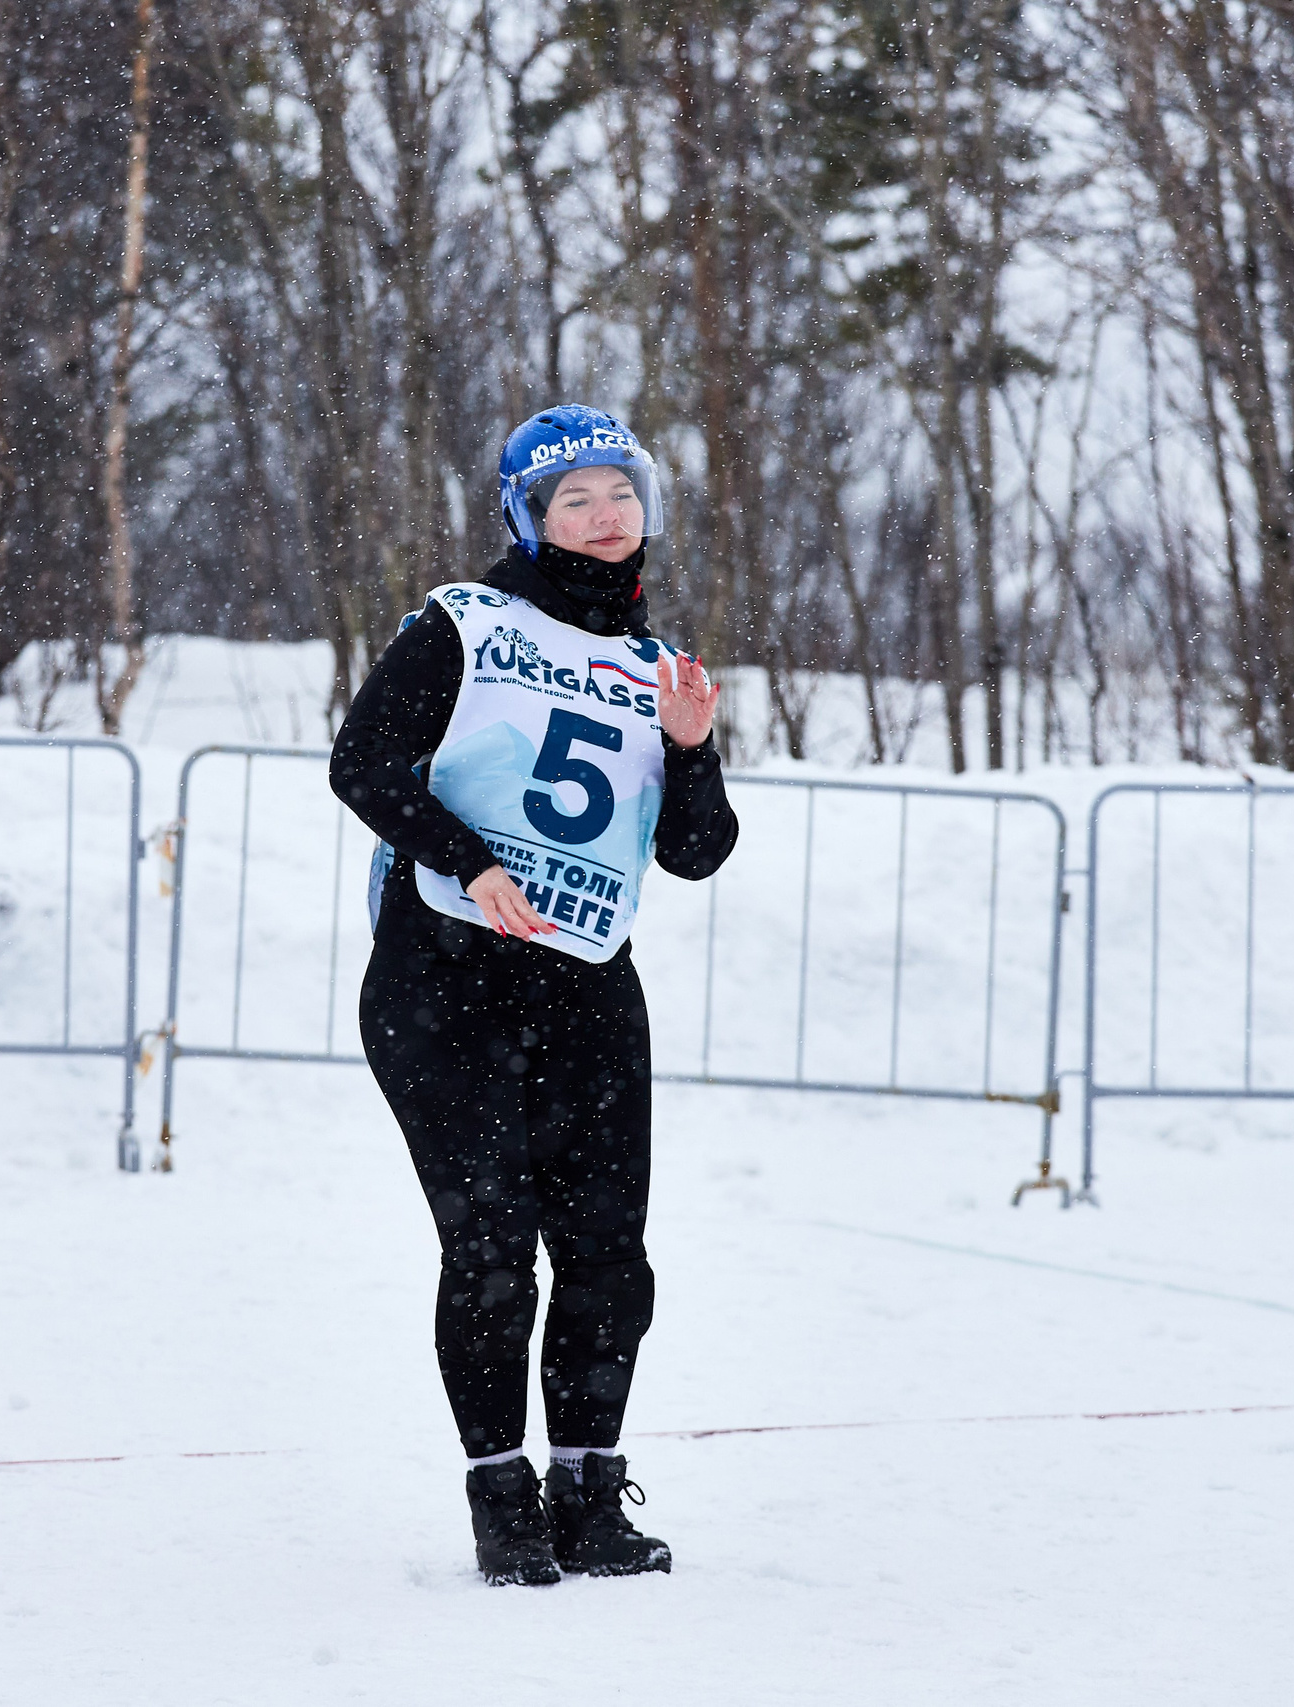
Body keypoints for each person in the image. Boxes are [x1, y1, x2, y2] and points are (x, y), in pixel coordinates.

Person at [331, 406, 739, 1586]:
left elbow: (696, 851)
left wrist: (691, 749)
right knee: (494, 1248)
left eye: (621, 492)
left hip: (586, 986)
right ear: (529, 516)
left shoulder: (656, 666)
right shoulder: (466, 622)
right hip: (443, 977)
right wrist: (468, 861)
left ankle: (589, 1495)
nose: (605, 516)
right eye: (574, 499)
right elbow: (362, 764)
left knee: (610, 1255)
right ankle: (502, 1501)